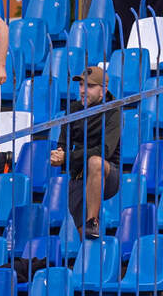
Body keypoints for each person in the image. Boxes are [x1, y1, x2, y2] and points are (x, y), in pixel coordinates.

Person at [49, 66, 121, 239]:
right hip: (79, 174)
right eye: (81, 85)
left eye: (89, 86)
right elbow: (63, 143)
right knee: (87, 238)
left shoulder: (113, 110)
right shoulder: (73, 109)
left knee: (95, 161)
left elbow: (105, 150)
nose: (82, 90)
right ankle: (91, 243)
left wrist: (68, 157)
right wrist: (58, 155)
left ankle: (92, 220)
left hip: (107, 173)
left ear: (103, 89)